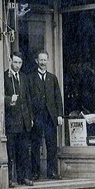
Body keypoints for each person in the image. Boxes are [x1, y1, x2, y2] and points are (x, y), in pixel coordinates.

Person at [29, 50, 63, 180]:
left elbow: (58, 97)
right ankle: (35, 172)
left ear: (47, 61)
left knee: (52, 145)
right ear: (36, 61)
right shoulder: (31, 78)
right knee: (35, 145)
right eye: (41, 60)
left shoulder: (52, 78)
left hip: (50, 117)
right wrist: (30, 117)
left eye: (45, 60)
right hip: (37, 116)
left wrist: (59, 114)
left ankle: (52, 172)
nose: (43, 62)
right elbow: (28, 99)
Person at [4, 51, 33, 187]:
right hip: (11, 121)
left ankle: (23, 178)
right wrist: (9, 100)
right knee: (11, 152)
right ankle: (10, 179)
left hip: (24, 121)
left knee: (23, 152)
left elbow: (28, 99)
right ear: (10, 61)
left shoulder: (24, 77)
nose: (17, 65)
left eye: (20, 63)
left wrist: (30, 118)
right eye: (15, 62)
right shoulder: (5, 77)